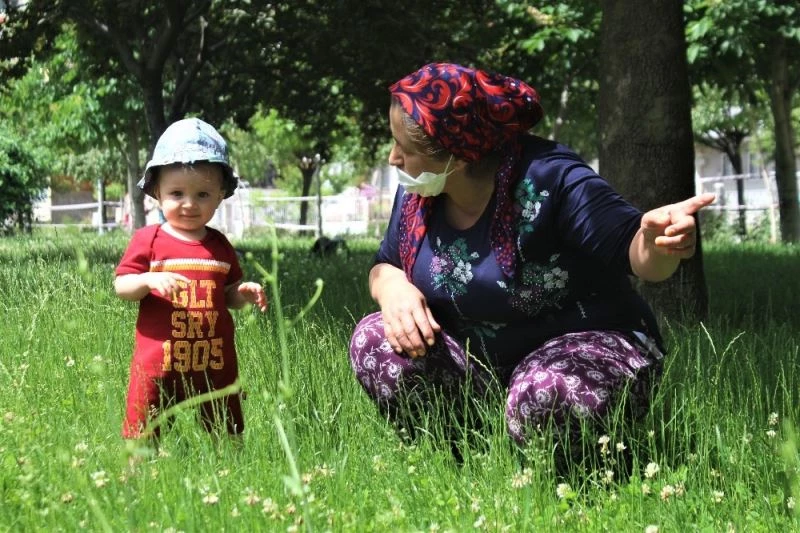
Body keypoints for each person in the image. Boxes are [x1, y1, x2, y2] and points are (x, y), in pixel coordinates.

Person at [348, 63, 715, 456]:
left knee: (544, 395)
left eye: (407, 148)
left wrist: (658, 242)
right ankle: (467, 456)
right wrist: (392, 288)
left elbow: (639, 255)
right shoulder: (419, 196)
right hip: (481, 371)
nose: (393, 158)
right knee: (375, 340)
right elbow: (384, 264)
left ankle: (579, 464)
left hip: (581, 353)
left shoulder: (550, 178)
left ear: (459, 154)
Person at [115, 118, 267, 441]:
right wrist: (147, 282)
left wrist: (243, 293)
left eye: (202, 194)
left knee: (225, 428)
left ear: (220, 194)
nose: (189, 204)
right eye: (176, 193)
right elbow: (122, 286)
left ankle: (230, 472)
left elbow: (226, 296)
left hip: (213, 362)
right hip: (159, 365)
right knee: (144, 429)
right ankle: (137, 478)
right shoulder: (149, 240)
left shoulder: (219, 245)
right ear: (157, 191)